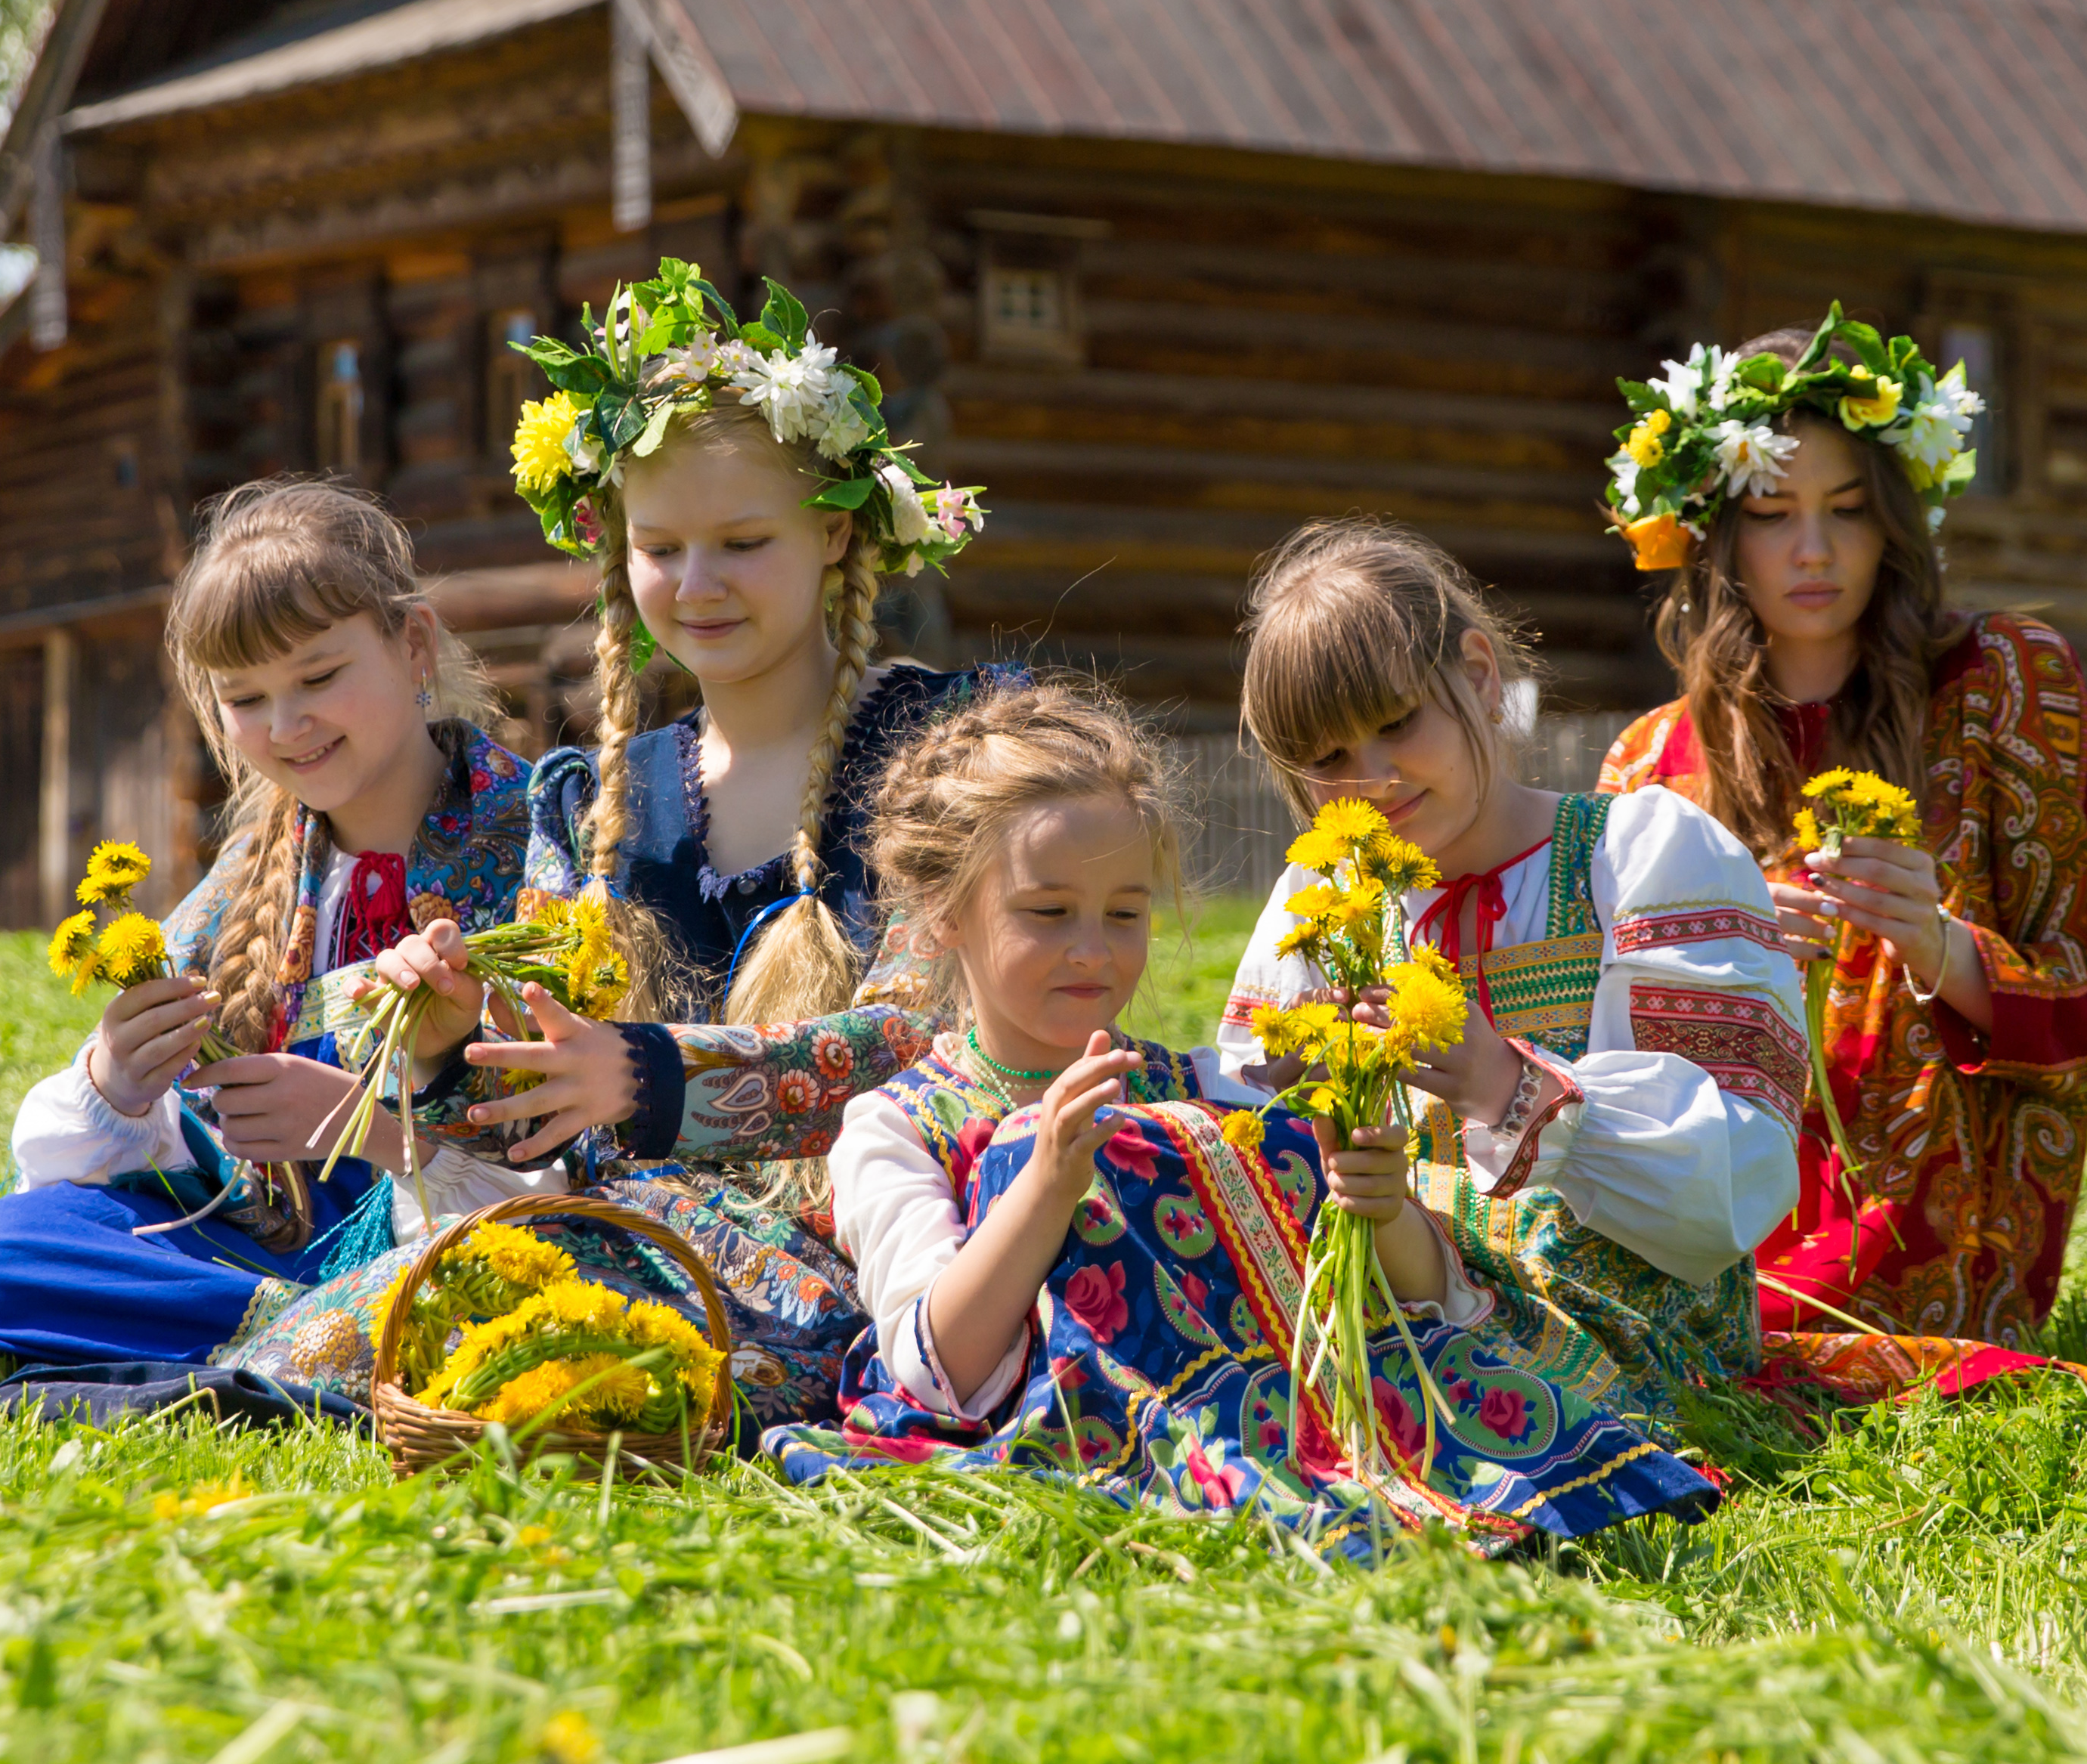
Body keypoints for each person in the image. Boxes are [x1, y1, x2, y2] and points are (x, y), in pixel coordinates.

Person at [207, 261, 1017, 1432]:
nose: (697, 584)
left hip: (857, 1250)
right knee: (362, 1332)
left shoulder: (941, 750)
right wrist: (449, 1047)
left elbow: (921, 1040)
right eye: (660, 546)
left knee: (608, 1350)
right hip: (602, 1218)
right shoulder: (593, 804)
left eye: (743, 539)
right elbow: (514, 1114)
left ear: (835, 532)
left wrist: (645, 1077)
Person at [773, 679, 1718, 1552]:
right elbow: (937, 1367)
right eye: (1049, 912)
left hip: (1294, 1418)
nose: (1092, 952)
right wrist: (1048, 1179)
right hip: (1075, 1432)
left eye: (1126, 913)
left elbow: (1431, 1308)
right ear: (942, 913)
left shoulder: (1210, 1095)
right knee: (1037, 1152)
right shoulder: (898, 1127)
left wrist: (1382, 1213)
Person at [0, 478, 543, 1399]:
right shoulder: (251, 877)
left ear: (412, 646)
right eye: (246, 698)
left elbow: (587, 1165)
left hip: (467, 1243)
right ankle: (327, 1346)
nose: (287, 726)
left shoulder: (535, 841)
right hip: (247, 1252)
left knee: (507, 1293)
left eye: (319, 677)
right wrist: (115, 1084)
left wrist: (371, 1132)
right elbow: (164, 1152)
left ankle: (343, 1338)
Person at [1598, 308, 2087, 1363]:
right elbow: (1605, 1052)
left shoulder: (2004, 682)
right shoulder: (1649, 763)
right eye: (1772, 512)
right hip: (1709, 1228)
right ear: (1716, 529)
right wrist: (1730, 949)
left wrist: (1943, 950)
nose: (1815, 550)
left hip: (1941, 1243)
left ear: (1895, 520)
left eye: (1849, 510)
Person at [1213, 519, 1806, 1418]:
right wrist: (1297, 1104)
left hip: (1621, 1322)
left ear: (1481, 677)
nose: (1371, 778)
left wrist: (1507, 1085)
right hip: (1395, 1296)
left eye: (1396, 722)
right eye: (1329, 759)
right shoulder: (1326, 897)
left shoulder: (1640, 855)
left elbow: (1737, 1178)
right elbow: (1251, 1127)